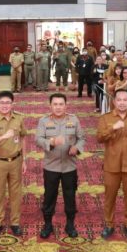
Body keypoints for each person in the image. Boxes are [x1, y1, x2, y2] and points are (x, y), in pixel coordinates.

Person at [96, 89, 127, 239]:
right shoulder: (106, 118)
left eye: (125, 100)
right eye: (119, 100)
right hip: (111, 166)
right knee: (109, 197)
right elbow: (99, 138)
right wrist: (113, 128)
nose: (122, 103)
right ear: (114, 102)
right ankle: (109, 224)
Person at [36, 93, 84, 238]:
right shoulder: (44, 121)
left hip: (70, 166)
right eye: (55, 104)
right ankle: (47, 224)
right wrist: (51, 142)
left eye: (61, 104)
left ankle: (70, 224)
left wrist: (77, 148)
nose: (58, 107)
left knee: (70, 196)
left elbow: (82, 138)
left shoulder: (74, 120)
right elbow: (38, 139)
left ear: (66, 105)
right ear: (50, 106)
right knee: (49, 196)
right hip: (51, 166)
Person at [0, 91, 27, 237]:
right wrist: (4, 136)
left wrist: (24, 159)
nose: (5, 105)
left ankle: (15, 223)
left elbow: (23, 138)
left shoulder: (19, 118)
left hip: (16, 161)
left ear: (12, 104)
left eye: (8, 103)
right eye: (2, 103)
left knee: (16, 194)